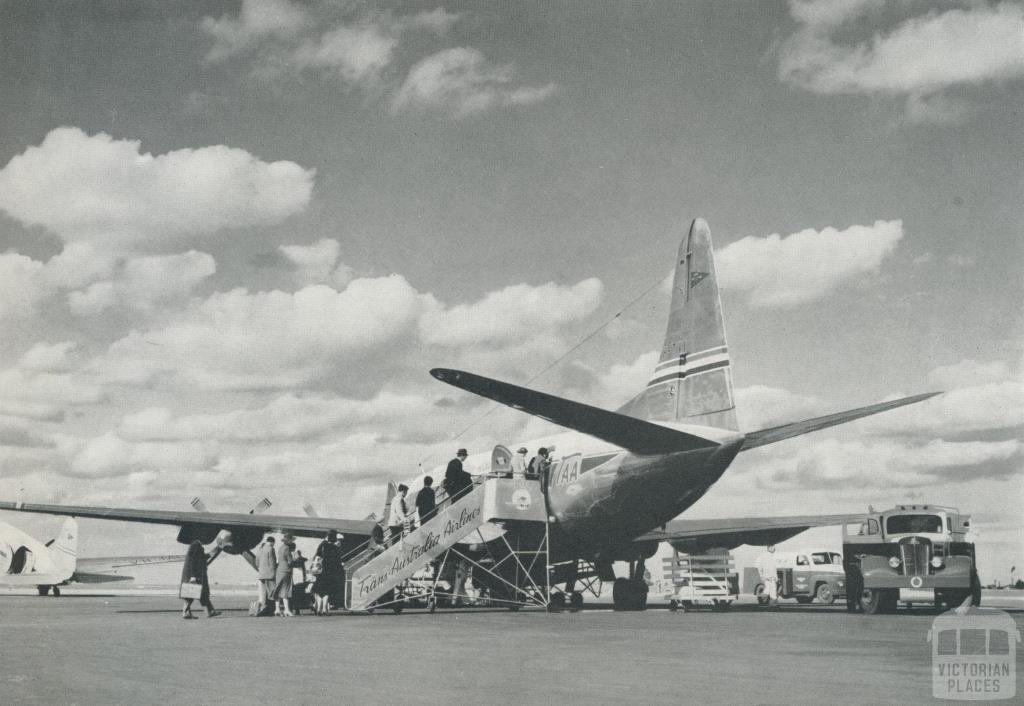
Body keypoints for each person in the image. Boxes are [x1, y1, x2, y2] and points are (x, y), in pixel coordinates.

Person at [180, 540, 219, 619]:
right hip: (195, 575)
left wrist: (218, 548)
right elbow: (192, 560)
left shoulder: (196, 545)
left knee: (202, 594)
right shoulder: (195, 545)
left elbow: (203, 557)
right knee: (191, 594)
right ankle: (186, 612)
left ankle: (210, 611)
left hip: (198, 575)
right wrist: (193, 576)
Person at [314, 530, 344, 613]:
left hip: (321, 571)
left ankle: (319, 608)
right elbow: (338, 562)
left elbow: (317, 556)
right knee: (327, 591)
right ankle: (324, 609)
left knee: (319, 590)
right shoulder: (335, 548)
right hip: (330, 572)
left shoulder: (322, 545)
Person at [274, 533, 297, 616]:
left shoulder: (280, 548)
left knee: (278, 590)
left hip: (279, 570)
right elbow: (290, 561)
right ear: (289, 540)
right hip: (286, 570)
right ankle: (287, 610)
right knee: (285, 590)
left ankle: (277, 609)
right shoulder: (287, 548)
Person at [255, 535, 277, 613]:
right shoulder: (271, 549)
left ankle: (261, 609)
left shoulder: (260, 549)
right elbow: (273, 562)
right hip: (270, 574)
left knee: (262, 594)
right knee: (272, 592)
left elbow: (257, 562)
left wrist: (261, 569)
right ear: (272, 542)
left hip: (261, 574)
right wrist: (275, 572)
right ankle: (273, 609)